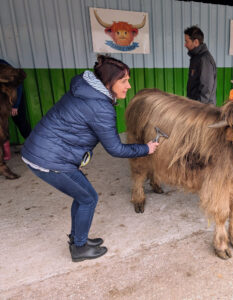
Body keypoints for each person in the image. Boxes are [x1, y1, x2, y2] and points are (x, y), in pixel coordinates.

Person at [21, 55, 159, 262]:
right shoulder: (100, 107)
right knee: (88, 198)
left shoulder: (87, 92)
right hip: (49, 160)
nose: (128, 86)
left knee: (83, 196)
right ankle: (79, 249)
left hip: (44, 151)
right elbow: (115, 149)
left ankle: (79, 239)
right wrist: (145, 149)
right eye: (124, 81)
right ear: (108, 82)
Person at [0, 59, 31, 161]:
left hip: (14, 97)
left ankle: (33, 146)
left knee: (20, 121)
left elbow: (19, 84)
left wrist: (15, 105)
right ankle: (6, 153)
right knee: (2, 125)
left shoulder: (3, 65)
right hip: (3, 98)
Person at [184, 25, 217, 105]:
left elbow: (206, 91)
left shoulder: (204, 59)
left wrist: (197, 109)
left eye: (187, 41)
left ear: (195, 42)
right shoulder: (196, 57)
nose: (185, 45)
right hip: (196, 106)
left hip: (203, 111)